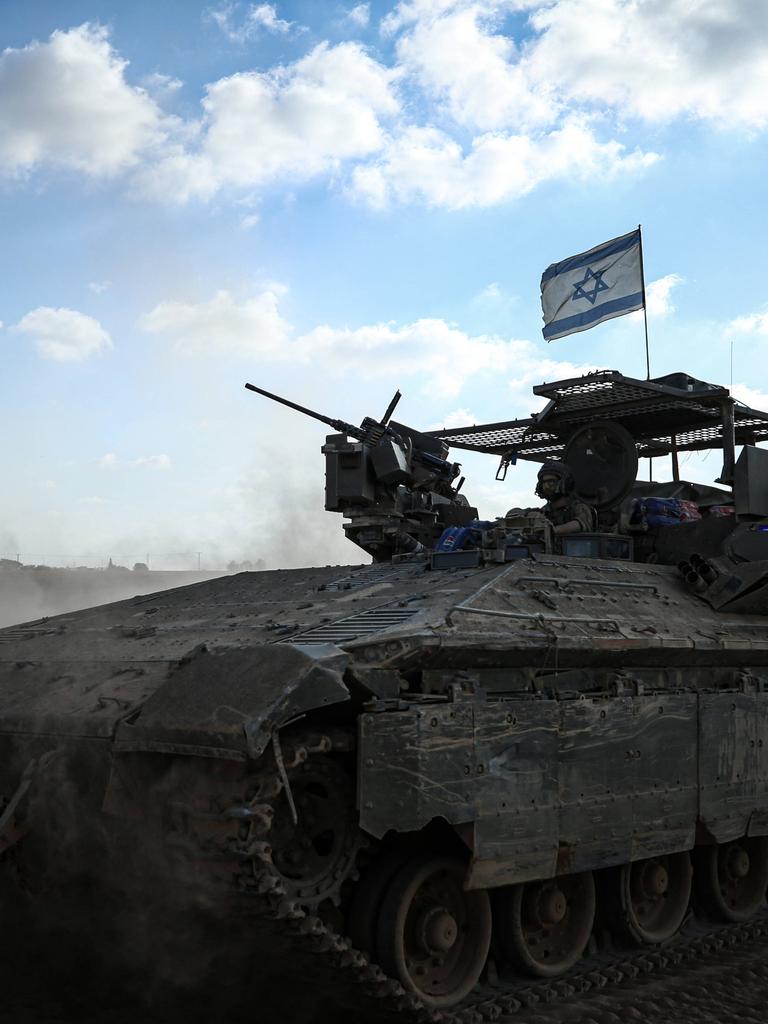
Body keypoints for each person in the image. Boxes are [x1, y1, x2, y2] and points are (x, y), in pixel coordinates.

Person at [535, 461, 596, 536]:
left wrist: (553, 530)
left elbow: (581, 524)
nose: (546, 486)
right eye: (544, 482)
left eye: (551, 481)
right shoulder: (545, 511)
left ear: (564, 483)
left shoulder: (579, 507)